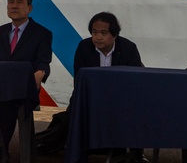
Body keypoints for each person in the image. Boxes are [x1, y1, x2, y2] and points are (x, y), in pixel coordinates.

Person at [36, 12, 143, 155]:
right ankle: (58, 144)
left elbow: (135, 82)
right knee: (73, 112)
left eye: (103, 33)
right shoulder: (84, 47)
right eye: (94, 32)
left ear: (114, 34)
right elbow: (79, 80)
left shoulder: (128, 49)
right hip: (90, 97)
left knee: (138, 110)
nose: (98, 37)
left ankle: (136, 153)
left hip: (121, 99)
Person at [0, 0, 53, 163]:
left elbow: (44, 61)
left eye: (19, 2)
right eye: (11, 2)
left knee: (6, 105)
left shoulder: (42, 33)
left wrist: (40, 74)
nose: (14, 6)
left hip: (23, 89)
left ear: (29, 8)